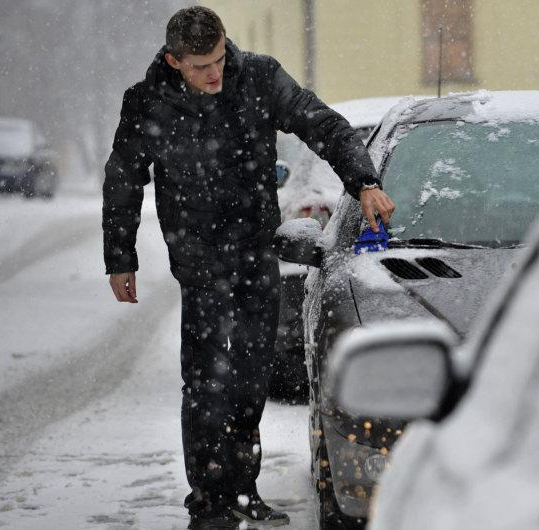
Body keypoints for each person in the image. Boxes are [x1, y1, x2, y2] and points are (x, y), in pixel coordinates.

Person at [102, 6, 394, 529]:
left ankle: (242, 489)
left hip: (255, 253)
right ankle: (209, 499)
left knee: (251, 378)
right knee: (206, 383)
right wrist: (120, 258)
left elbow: (321, 124)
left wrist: (363, 180)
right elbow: (123, 181)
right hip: (198, 263)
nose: (214, 74)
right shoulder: (148, 101)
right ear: (174, 61)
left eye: (218, 59)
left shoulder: (258, 77)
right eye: (200, 66)